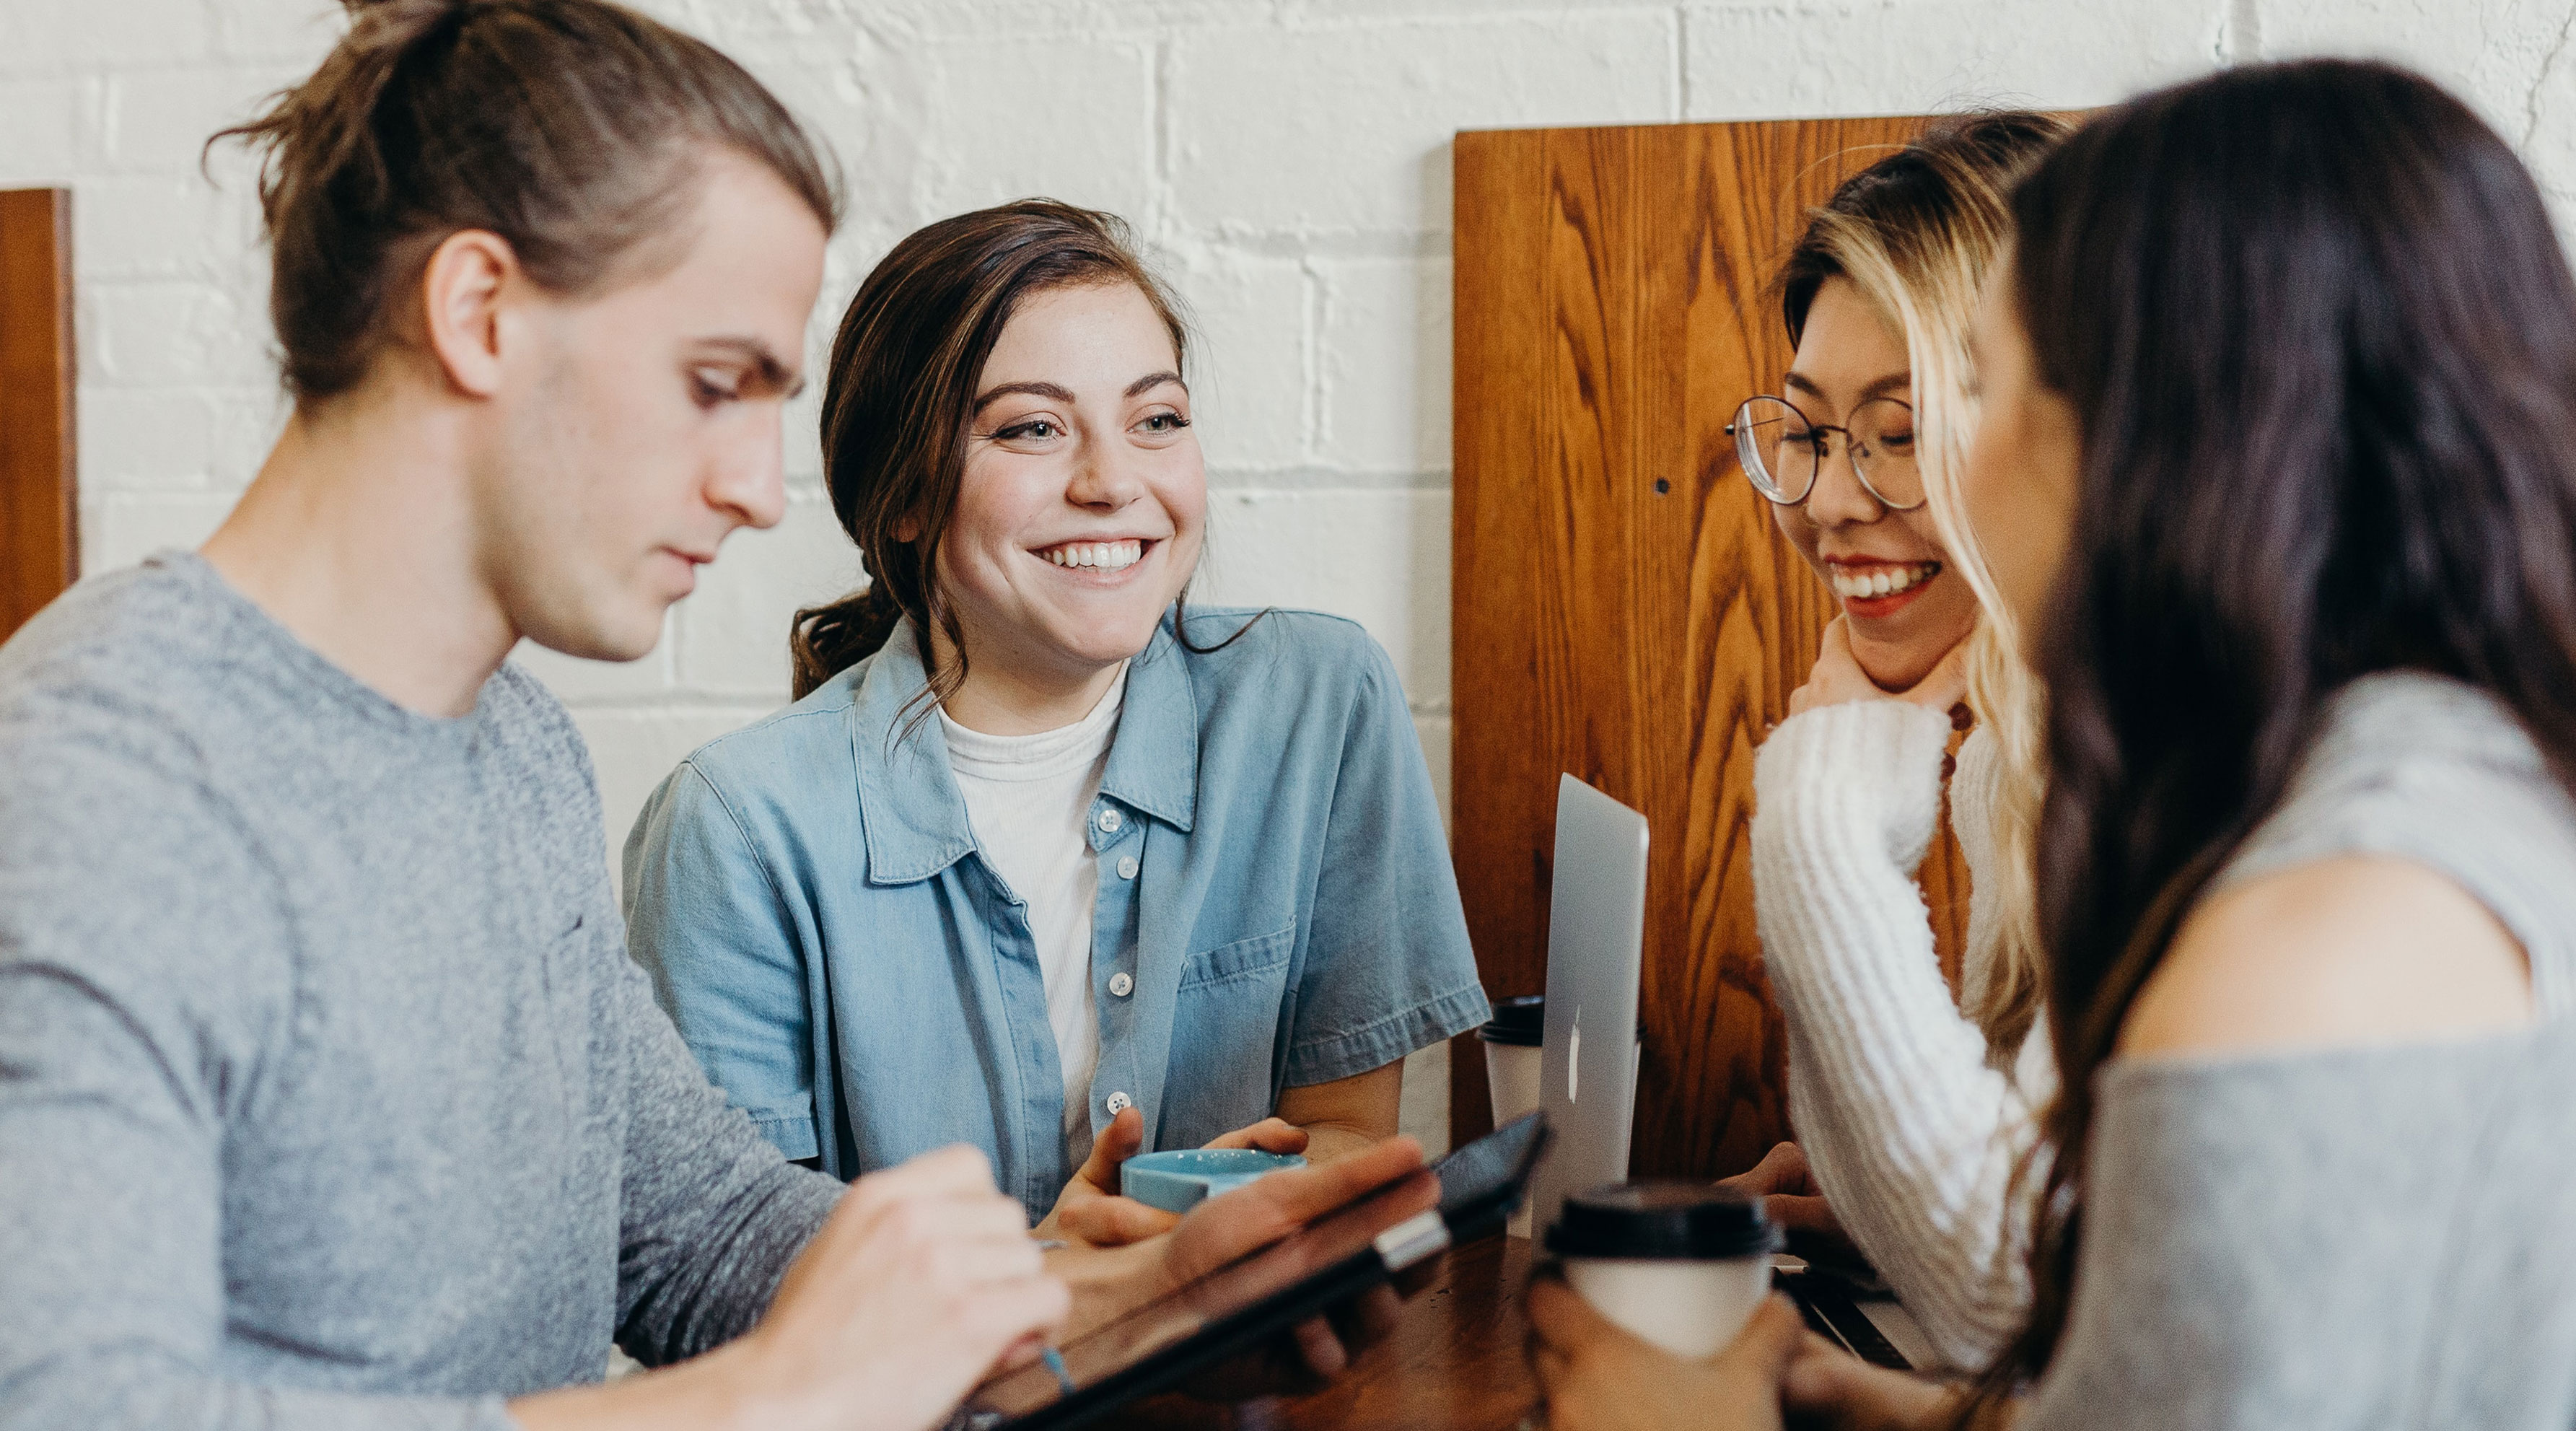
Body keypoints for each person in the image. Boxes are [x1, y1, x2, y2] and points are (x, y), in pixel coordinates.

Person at [0, 4, 1428, 1428]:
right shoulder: (101, 777)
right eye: (712, 383)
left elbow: (701, 1230)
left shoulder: (511, 749)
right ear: (478, 311)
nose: (759, 488)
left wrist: (1132, 1305)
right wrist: (771, 1398)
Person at [1530, 58, 2576, 1430]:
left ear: (2169, 431)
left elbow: (2042, 1305)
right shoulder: (2430, 787)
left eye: (1980, 389)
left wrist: (1687, 1424)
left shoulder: (2311, 930)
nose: (1867, 488)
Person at [622, 199, 1489, 1245]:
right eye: (1032, 428)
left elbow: (1346, 1133)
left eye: (1155, 419)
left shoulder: (1316, 703)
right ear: (899, 496)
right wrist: (1062, 1279)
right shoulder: (736, 827)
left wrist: (1214, 1225)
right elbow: (732, 1273)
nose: (1113, 481)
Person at [1730, 113, 2067, 1369]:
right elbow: (2043, 1248)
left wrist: (1819, 816)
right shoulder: (2012, 756)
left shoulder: (2168, 763)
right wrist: (1877, 1199)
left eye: (1901, 429)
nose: (1826, 500)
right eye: (1810, 431)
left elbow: (2009, 1302)